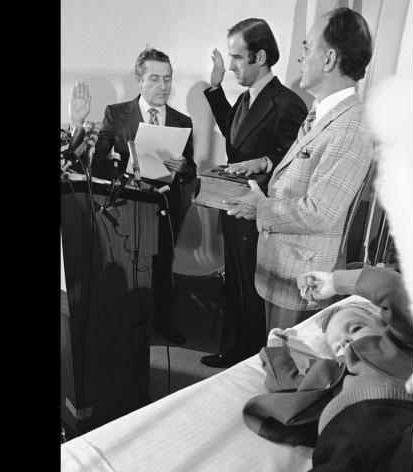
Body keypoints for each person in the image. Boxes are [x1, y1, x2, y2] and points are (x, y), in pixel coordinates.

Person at [225, 7, 375, 332]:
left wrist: (260, 206)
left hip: (302, 285)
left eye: (307, 48)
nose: (299, 58)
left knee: (286, 374)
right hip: (284, 271)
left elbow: (320, 212)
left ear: (329, 59)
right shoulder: (321, 113)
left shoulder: (350, 127)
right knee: (273, 365)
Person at [68, 48, 196, 345]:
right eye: (154, 79)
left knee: (163, 266)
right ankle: (130, 325)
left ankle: (163, 322)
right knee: (129, 267)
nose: (163, 86)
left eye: (167, 79)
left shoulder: (182, 120)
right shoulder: (116, 113)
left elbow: (191, 171)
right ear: (139, 80)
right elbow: (98, 164)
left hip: (165, 205)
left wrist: (184, 167)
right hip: (127, 205)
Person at [200, 18, 308, 368]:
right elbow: (235, 137)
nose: (231, 66)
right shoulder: (247, 99)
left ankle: (246, 359)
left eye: (237, 58)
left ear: (260, 56)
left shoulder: (287, 104)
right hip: (233, 208)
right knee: (236, 287)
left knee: (251, 292)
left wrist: (263, 161)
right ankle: (234, 351)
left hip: (261, 215)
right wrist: (216, 89)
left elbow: (298, 163)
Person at [243, 266, 413, 472]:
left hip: (398, 416)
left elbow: (392, 288)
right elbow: (288, 385)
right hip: (337, 441)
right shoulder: (329, 371)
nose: (345, 341)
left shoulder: (397, 343)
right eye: (337, 346)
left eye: (356, 328)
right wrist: (277, 348)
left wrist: (335, 282)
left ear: (383, 324)